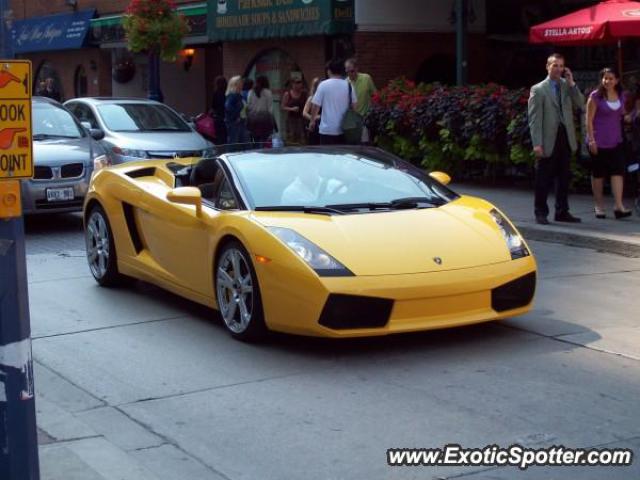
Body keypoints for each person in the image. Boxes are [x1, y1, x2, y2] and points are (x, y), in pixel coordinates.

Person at [528, 53, 584, 225]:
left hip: (565, 136)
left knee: (564, 176)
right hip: (547, 138)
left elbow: (581, 104)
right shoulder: (538, 89)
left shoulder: (567, 86)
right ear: (547, 66)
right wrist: (537, 143)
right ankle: (540, 212)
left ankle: (562, 211)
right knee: (543, 177)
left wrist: (572, 83)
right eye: (555, 66)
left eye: (561, 66)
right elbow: (534, 119)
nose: (558, 69)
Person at [586, 68, 632, 219]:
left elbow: (622, 112)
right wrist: (592, 140)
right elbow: (589, 120)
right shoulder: (595, 96)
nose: (608, 81)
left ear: (617, 80)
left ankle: (619, 206)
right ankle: (599, 206)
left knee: (618, 172)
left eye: (611, 78)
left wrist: (628, 117)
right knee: (598, 174)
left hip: (616, 140)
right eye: (605, 78)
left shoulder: (621, 95)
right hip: (598, 141)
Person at [309, 58, 357, 145]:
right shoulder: (349, 86)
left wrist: (312, 121)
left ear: (329, 71)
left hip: (327, 130)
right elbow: (354, 106)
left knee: (327, 156)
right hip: (345, 129)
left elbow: (315, 106)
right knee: (342, 157)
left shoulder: (323, 85)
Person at [345, 58, 376, 143]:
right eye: (347, 72)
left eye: (351, 71)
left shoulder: (366, 78)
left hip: (365, 117)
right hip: (352, 121)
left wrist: (372, 111)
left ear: (357, 69)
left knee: (364, 143)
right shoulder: (345, 83)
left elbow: (375, 95)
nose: (349, 74)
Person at [247, 75, 275, 144]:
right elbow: (270, 109)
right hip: (265, 120)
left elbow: (249, 106)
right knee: (265, 140)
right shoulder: (268, 92)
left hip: (253, 119)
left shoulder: (251, 92)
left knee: (255, 140)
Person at [281, 77, 307, 144]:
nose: (299, 84)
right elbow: (282, 107)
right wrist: (291, 109)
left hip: (301, 119)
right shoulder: (287, 94)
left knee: (302, 137)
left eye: (300, 82)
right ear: (292, 84)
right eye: (297, 83)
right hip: (291, 119)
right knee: (291, 137)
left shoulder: (304, 93)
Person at [225, 75, 248, 147]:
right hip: (235, 123)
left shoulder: (239, 95)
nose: (242, 84)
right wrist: (236, 117)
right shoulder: (233, 95)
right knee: (234, 144)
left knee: (242, 144)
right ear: (236, 84)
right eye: (240, 83)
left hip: (241, 122)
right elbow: (228, 107)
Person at [303, 77, 321, 145]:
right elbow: (304, 113)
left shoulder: (323, 98)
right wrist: (313, 118)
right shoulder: (311, 98)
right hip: (314, 126)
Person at [211, 76, 228, 145]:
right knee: (225, 137)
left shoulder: (216, 93)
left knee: (220, 137)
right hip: (225, 117)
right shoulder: (227, 93)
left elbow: (214, 106)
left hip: (219, 117)